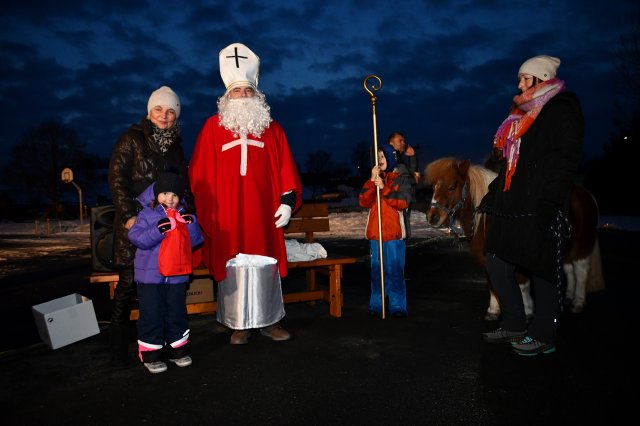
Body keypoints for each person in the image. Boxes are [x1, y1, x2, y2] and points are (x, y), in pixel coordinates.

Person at [189, 42, 303, 345]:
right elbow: (198, 175)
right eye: (236, 91)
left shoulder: (273, 129)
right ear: (226, 97)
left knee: (263, 262)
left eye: (247, 91)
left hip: (264, 212)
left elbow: (286, 171)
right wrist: (209, 211)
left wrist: (288, 202)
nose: (242, 96)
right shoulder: (211, 128)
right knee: (235, 264)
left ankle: (269, 321)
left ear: (257, 95)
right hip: (227, 213)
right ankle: (239, 323)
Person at [478, 55, 584, 356]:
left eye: (526, 78)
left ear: (543, 78)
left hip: (541, 203)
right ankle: (514, 323)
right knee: (496, 261)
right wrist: (494, 192)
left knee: (543, 269)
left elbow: (565, 160)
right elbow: (516, 165)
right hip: (515, 204)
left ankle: (544, 334)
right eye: (520, 79)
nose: (519, 84)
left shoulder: (561, 109)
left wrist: (551, 202)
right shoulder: (522, 116)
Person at [108, 86, 193, 367]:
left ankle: (168, 345)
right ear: (149, 111)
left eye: (171, 111)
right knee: (129, 284)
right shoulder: (131, 138)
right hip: (139, 222)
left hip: (169, 229)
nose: (165, 116)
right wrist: (129, 215)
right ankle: (117, 348)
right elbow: (117, 178)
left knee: (165, 290)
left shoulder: (177, 147)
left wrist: (186, 213)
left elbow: (184, 185)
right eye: (159, 109)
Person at [128, 171, 204, 374]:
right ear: (156, 194)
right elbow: (137, 238)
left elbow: (196, 242)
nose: (170, 198)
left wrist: (191, 226)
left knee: (176, 313)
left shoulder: (183, 214)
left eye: (175, 195)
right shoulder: (147, 214)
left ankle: (177, 351)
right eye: (165, 193)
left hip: (176, 275)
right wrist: (157, 230)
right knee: (152, 314)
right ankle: (151, 355)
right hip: (150, 277)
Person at [359, 144, 412, 318]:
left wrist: (384, 188)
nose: (380, 160)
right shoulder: (373, 179)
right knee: (377, 271)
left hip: (394, 234)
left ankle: (397, 305)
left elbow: (403, 202)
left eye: (382, 157)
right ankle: (377, 303)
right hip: (376, 233)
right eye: (377, 157)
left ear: (390, 158)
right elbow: (364, 202)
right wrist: (371, 181)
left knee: (395, 270)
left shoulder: (400, 178)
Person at [388, 131, 419, 238]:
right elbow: (408, 178)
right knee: (401, 229)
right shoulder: (390, 159)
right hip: (398, 199)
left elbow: (412, 175)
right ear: (391, 143)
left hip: (404, 197)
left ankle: (402, 249)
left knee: (404, 225)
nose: (403, 143)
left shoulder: (399, 159)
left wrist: (412, 157)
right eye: (400, 140)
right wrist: (413, 178)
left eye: (404, 141)